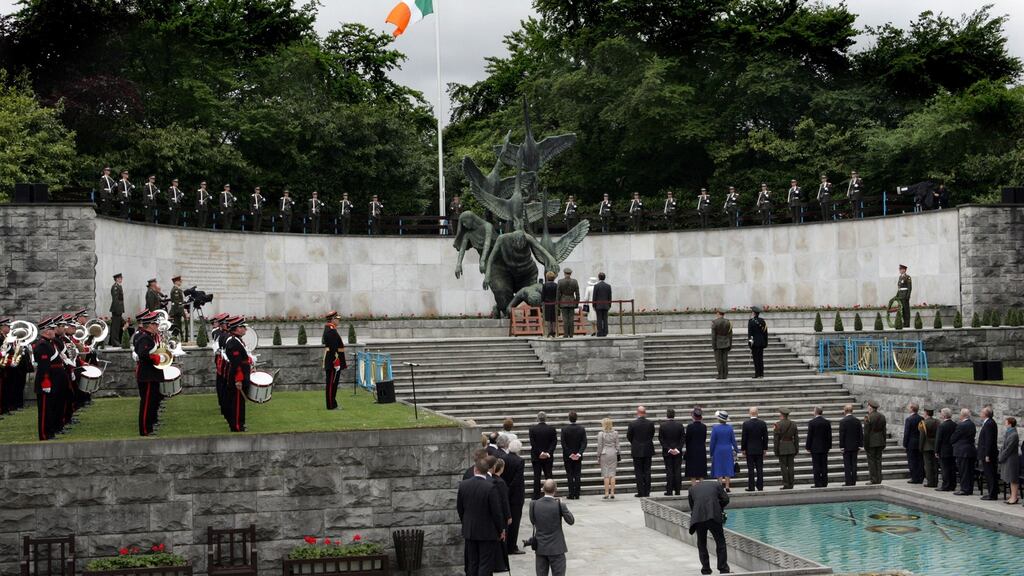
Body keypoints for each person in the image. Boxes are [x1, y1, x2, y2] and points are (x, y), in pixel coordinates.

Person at [457, 457, 506, 576]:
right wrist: (501, 529)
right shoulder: (490, 486)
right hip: (487, 532)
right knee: (485, 563)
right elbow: (496, 512)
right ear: (488, 470)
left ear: (475, 470)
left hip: (469, 530)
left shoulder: (463, 485)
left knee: (472, 562)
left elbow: (460, 508)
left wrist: (466, 522)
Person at [530, 479, 574, 576]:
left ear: (542, 489)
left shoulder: (534, 504)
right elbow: (571, 521)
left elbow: (533, 521)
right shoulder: (559, 505)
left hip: (541, 547)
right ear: (555, 490)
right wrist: (563, 506)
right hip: (557, 548)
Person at [688, 478, 731, 575]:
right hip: (713, 516)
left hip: (698, 518)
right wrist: (719, 507)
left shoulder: (691, 489)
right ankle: (723, 568)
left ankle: (706, 569)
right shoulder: (717, 485)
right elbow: (726, 499)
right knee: (720, 542)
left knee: (701, 543)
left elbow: (693, 507)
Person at [132, 311, 163, 437]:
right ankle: (145, 430)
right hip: (147, 375)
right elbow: (142, 354)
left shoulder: (148, 336)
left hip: (151, 374)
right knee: (146, 403)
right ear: (150, 325)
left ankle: (149, 426)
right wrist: (154, 357)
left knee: (151, 402)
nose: (157, 327)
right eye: (155, 324)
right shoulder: (145, 337)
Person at [497, 434, 526, 555]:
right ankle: (512, 546)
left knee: (506, 521)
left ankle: (505, 544)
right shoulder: (520, 461)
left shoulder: (504, 458)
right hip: (516, 496)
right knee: (515, 522)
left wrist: (505, 490)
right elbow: (517, 479)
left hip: (505, 493)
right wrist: (510, 489)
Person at [222, 316, 251, 432]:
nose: (245, 329)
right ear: (236, 329)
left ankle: (239, 423)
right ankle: (237, 426)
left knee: (239, 402)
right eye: (242, 327)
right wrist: (238, 379)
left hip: (241, 374)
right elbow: (236, 363)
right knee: (237, 403)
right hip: (238, 376)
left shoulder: (236, 340)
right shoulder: (233, 342)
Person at [489, 457, 511, 574]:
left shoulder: (490, 479)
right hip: (501, 514)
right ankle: (500, 563)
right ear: (501, 468)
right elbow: (504, 501)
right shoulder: (501, 482)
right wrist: (508, 516)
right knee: (502, 538)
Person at [627, 405, 655, 497]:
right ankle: (647, 492)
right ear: (645, 413)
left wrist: (635, 443)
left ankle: (641, 492)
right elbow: (652, 435)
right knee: (647, 471)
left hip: (637, 450)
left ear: (637, 412)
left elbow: (629, 436)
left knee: (638, 472)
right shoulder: (650, 423)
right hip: (647, 449)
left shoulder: (632, 424)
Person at [529, 412, 557, 500]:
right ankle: (550, 493)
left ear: (537, 418)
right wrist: (548, 453)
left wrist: (540, 453)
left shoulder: (532, 429)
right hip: (548, 457)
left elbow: (533, 444)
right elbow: (554, 442)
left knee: (537, 476)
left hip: (536, 456)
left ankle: (536, 495)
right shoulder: (551, 429)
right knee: (548, 475)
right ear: (546, 418)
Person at [321, 311, 345, 410]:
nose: (338, 321)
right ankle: (331, 405)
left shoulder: (331, 329)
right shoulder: (331, 330)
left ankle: (333, 404)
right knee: (331, 384)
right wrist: (336, 362)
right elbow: (333, 348)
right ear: (332, 319)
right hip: (333, 361)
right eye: (337, 319)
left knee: (333, 384)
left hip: (332, 360)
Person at [560, 411, 587, 499]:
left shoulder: (564, 429)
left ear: (569, 418)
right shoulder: (581, 429)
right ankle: (577, 493)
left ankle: (571, 494)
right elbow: (584, 442)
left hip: (568, 456)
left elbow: (563, 444)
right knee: (577, 474)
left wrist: (570, 454)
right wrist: (579, 453)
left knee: (570, 474)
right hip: (578, 456)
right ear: (576, 418)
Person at [951, 408, 977, 496]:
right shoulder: (972, 424)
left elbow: (954, 437)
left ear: (962, 415)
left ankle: (964, 489)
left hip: (962, 451)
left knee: (963, 471)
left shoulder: (961, 425)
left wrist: (952, 441)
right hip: (970, 450)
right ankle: (969, 489)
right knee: (969, 471)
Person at [740, 407, 768, 492]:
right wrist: (765, 448)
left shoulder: (746, 424)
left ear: (749, 413)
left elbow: (744, 438)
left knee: (750, 469)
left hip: (750, 449)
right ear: (757, 413)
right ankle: (760, 486)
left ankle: (751, 487)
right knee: (760, 468)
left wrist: (743, 449)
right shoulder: (762, 423)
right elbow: (765, 437)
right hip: (759, 449)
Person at [659, 408, 685, 495]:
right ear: (674, 415)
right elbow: (682, 438)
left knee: (669, 471)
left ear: (667, 415)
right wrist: (677, 449)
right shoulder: (680, 425)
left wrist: (669, 449)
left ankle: (669, 490)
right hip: (678, 452)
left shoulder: (663, 426)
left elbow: (661, 439)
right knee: (677, 471)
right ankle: (677, 490)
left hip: (667, 452)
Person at [709, 410, 737, 492]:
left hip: (718, 450)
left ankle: (720, 486)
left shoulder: (715, 428)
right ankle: (727, 486)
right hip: (728, 449)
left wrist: (711, 452)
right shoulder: (730, 428)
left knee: (719, 467)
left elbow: (712, 441)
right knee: (728, 467)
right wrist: (736, 449)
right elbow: (733, 440)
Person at [806, 406, 832, 488]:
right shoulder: (827, 422)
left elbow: (810, 436)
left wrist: (808, 447)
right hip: (824, 447)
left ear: (816, 412)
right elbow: (829, 436)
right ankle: (824, 482)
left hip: (815, 447)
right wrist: (829, 446)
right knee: (824, 465)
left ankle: (818, 483)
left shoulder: (812, 422)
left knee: (816, 466)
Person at [773, 407, 798, 489]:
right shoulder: (793, 424)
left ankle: (786, 484)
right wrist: (796, 449)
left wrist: (776, 450)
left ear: (781, 415)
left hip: (782, 448)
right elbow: (796, 438)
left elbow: (776, 439)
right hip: (791, 447)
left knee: (783, 467)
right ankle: (791, 483)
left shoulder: (777, 424)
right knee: (791, 466)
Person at [839, 404, 863, 486]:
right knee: (854, 464)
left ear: (845, 411)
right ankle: (853, 481)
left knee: (847, 465)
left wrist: (841, 446)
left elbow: (842, 435)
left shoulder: (843, 421)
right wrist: (860, 445)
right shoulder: (857, 421)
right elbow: (860, 434)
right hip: (855, 446)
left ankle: (848, 481)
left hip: (846, 447)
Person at [978, 406, 999, 500]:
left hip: (989, 454)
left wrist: (987, 454)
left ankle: (992, 494)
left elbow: (989, 440)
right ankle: (992, 492)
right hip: (987, 453)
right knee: (989, 474)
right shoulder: (988, 423)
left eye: (982, 412)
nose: (980, 414)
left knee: (990, 474)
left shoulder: (989, 423)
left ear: (986, 414)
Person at [864, 400, 887, 485]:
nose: (867, 408)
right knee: (878, 461)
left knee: (871, 462)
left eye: (868, 406)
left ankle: (873, 479)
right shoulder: (882, 416)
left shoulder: (868, 417)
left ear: (870, 407)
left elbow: (866, 433)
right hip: (880, 441)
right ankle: (879, 478)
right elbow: (884, 431)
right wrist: (884, 441)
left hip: (871, 442)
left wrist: (865, 445)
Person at [935, 408, 958, 492]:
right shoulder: (955, 425)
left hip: (943, 450)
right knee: (952, 468)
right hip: (952, 449)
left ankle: (945, 485)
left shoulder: (942, 426)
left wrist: (936, 451)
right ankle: (952, 485)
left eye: (941, 413)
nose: (940, 415)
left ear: (944, 415)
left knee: (945, 468)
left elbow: (939, 439)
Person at [998, 416, 1019, 505]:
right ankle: (1012, 496)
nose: (1005, 424)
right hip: (1008, 459)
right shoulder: (1008, 433)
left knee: (1013, 479)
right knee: (1010, 479)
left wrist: (1001, 457)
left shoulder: (1014, 435)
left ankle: (1014, 497)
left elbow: (1008, 449)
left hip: (1012, 460)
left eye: (1006, 422)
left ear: (1010, 424)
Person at [597, 417, 619, 499]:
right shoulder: (615, 433)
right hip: (613, 453)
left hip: (604, 453)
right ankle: (612, 492)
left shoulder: (601, 434)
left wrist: (598, 455)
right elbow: (617, 445)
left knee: (606, 474)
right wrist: (618, 452)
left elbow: (599, 446)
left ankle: (606, 493)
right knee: (612, 474)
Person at [556, 268, 580, 339]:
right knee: (571, 319)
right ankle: (571, 334)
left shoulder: (560, 281)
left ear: (564, 273)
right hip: (572, 301)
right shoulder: (575, 281)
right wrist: (577, 303)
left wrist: (558, 303)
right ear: (570, 273)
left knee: (565, 319)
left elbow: (558, 294)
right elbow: (577, 294)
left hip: (563, 301)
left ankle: (566, 334)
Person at [904, 402, 924, 484]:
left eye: (909, 407)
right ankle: (920, 477)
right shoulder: (921, 418)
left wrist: (905, 444)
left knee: (912, 461)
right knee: (920, 460)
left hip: (911, 443)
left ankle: (914, 478)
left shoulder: (909, 419)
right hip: (919, 442)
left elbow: (907, 433)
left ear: (912, 408)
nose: (908, 408)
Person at [686, 408, 708, 481]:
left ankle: (694, 487)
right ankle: (702, 487)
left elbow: (687, 439)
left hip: (691, 450)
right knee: (701, 470)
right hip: (701, 449)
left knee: (693, 471)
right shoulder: (704, 427)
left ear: (693, 416)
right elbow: (704, 438)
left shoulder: (690, 427)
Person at [919, 407, 939, 488]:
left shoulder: (924, 423)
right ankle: (935, 481)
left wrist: (920, 447)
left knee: (928, 465)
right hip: (935, 445)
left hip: (927, 446)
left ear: (926, 413)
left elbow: (922, 436)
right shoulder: (937, 422)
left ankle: (930, 482)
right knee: (935, 465)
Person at [711, 310, 732, 380]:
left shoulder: (715, 322)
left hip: (718, 343)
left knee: (719, 360)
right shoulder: (728, 322)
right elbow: (730, 335)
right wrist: (730, 344)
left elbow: (713, 336)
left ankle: (720, 375)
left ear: (718, 314)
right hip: (726, 343)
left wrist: (713, 345)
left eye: (717, 313)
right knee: (725, 359)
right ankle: (725, 375)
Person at [747, 306, 767, 378]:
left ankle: (757, 374)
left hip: (755, 343)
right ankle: (761, 374)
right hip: (761, 342)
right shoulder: (763, 321)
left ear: (754, 313)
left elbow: (750, 334)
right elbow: (765, 333)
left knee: (756, 359)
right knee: (760, 359)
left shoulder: (751, 321)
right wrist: (765, 343)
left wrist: (750, 344)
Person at [109, 273, 125, 347]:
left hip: (118, 309)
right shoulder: (115, 287)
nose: (121, 279)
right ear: (117, 279)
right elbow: (115, 300)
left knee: (117, 327)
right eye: (120, 278)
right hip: (116, 310)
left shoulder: (119, 286)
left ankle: (115, 341)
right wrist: (118, 310)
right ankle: (115, 342)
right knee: (115, 327)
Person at [540, 271, 558, 338]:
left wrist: (541, 303)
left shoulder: (545, 285)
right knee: (553, 319)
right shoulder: (556, 285)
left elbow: (543, 295)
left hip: (547, 303)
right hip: (554, 303)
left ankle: (549, 332)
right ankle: (553, 331)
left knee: (548, 319)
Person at [169, 276, 186, 340]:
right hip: (177, 310)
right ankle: (176, 338)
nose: (181, 282)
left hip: (178, 310)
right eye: (179, 281)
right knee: (177, 325)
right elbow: (177, 302)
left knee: (179, 325)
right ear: (176, 282)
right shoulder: (175, 290)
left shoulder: (178, 289)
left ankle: (179, 338)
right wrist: (182, 310)